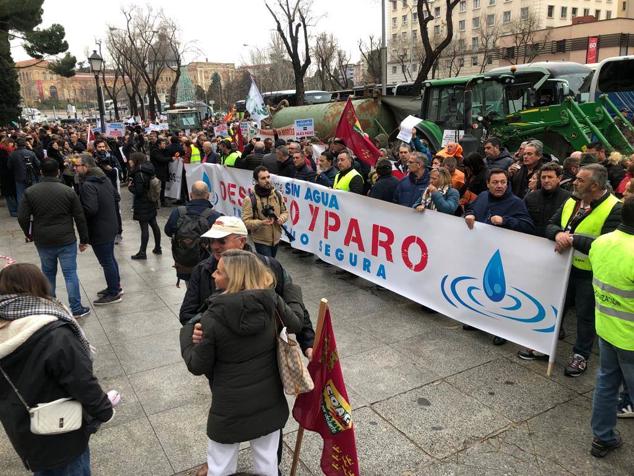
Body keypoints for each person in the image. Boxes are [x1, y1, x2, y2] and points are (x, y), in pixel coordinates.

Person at [180, 250, 303, 476]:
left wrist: (187, 333)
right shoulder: (271, 301)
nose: (213, 275)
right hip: (269, 401)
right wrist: (292, 291)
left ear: (233, 278)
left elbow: (197, 365)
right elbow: (295, 322)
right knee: (267, 463)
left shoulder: (212, 317)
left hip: (229, 408)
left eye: (219, 272)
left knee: (220, 465)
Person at [0, 263, 117, 475]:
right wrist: (105, 410)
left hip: (24, 431)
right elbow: (81, 380)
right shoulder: (53, 333)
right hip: (62, 434)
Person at [567, 197, 634, 456]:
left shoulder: (601, 243)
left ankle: (602, 437)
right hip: (630, 338)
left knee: (606, 384)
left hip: (606, 329)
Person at [546, 164, 622, 376]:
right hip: (563, 267)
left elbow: (607, 244)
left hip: (589, 273)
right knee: (556, 306)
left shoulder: (614, 208)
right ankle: (546, 344)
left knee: (585, 315)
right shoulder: (571, 201)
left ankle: (580, 355)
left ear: (595, 186)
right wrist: (558, 234)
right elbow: (551, 224)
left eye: (580, 180)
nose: (574, 182)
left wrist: (572, 239)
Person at [17, 159, 91, 318]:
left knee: (48, 273)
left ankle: (50, 307)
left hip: (43, 240)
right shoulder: (68, 191)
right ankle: (76, 308)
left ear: (41, 172)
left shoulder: (30, 192)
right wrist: (84, 239)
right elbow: (80, 217)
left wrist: (29, 233)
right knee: (70, 273)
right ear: (58, 171)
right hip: (66, 239)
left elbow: (22, 217)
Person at [75, 154, 123, 305]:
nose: (75, 169)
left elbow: (90, 209)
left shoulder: (88, 185)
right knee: (110, 258)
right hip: (110, 224)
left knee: (106, 261)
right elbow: (116, 197)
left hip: (99, 228)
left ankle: (114, 293)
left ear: (86, 167)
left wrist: (77, 209)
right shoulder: (104, 178)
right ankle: (115, 286)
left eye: (78, 166)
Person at [164, 181, 222, 284]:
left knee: (191, 289)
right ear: (208, 196)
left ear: (191, 195)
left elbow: (168, 231)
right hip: (207, 266)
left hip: (184, 264)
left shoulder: (178, 212)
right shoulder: (215, 216)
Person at [465, 168, 535, 234]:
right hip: (478, 240)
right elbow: (471, 209)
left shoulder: (516, 202)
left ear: (507, 184)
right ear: (488, 184)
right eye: (495, 182)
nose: (499, 186)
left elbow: (528, 227)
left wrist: (504, 221)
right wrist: (470, 214)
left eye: (503, 182)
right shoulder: (483, 195)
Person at [242, 166, 288, 257]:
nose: (267, 180)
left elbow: (285, 212)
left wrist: (282, 218)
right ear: (256, 180)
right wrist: (262, 222)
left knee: (271, 264)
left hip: (276, 239)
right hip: (261, 240)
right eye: (263, 178)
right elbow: (246, 222)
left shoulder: (277, 194)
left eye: (268, 177)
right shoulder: (250, 199)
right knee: (268, 267)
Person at [127, 152, 161, 260]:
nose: (129, 161)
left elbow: (139, 191)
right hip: (151, 201)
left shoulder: (138, 173)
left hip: (142, 203)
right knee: (154, 224)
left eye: (131, 159)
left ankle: (142, 252)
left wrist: (130, 188)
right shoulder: (148, 169)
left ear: (136, 160)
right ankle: (157, 247)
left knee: (144, 228)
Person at [523, 162, 571, 238]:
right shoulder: (530, 197)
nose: (546, 180)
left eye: (550, 177)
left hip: (556, 244)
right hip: (531, 241)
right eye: (543, 177)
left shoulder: (569, 199)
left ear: (559, 178)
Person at [7, 137, 40, 210]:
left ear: (16, 144)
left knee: (20, 195)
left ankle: (23, 211)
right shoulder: (31, 153)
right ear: (25, 144)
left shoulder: (12, 154)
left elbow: (9, 166)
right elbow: (38, 164)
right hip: (31, 176)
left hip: (19, 177)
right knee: (32, 194)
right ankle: (34, 209)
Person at [150, 138, 173, 207]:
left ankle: (162, 201)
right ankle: (156, 201)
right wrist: (171, 158)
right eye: (163, 143)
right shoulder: (155, 151)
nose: (165, 145)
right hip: (157, 172)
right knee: (156, 188)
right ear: (159, 144)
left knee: (162, 187)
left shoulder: (162, 150)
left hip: (163, 171)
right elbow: (161, 159)